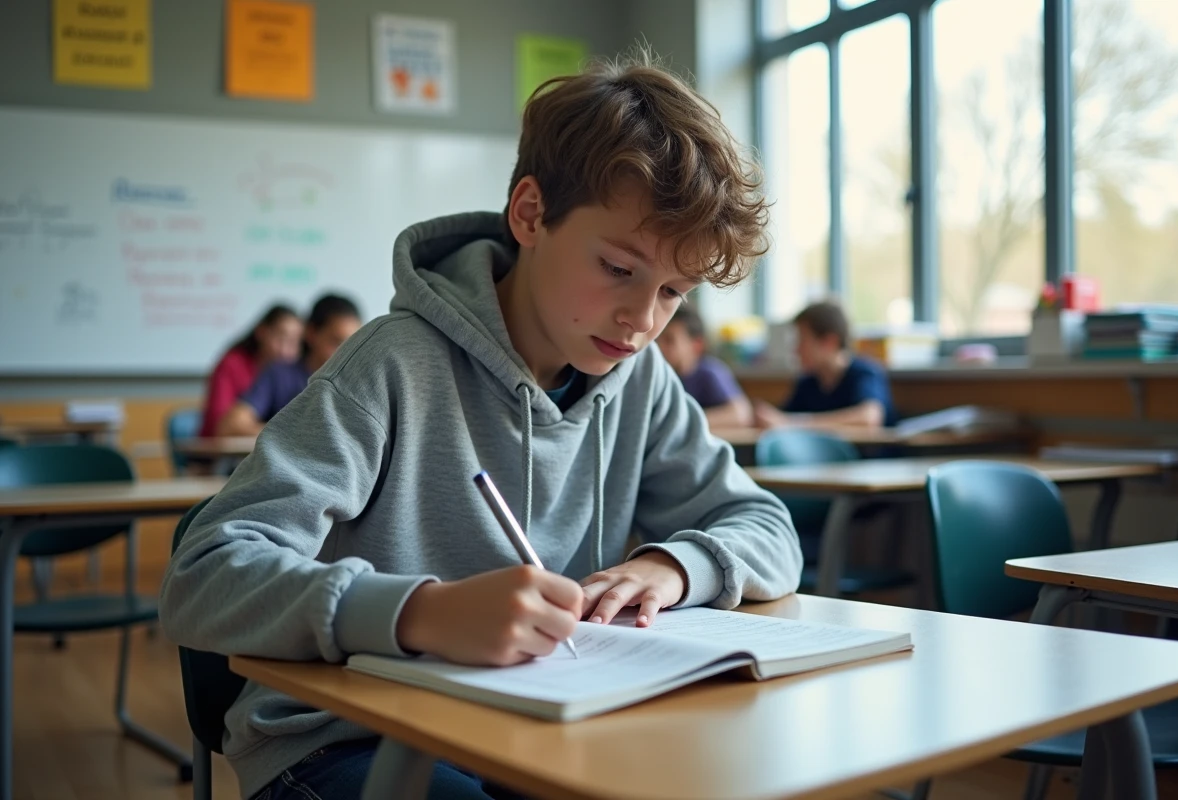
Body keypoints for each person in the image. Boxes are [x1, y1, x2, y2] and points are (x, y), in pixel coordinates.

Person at [161, 51, 801, 800]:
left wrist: (672, 567)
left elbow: (765, 525)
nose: (642, 320)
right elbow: (201, 576)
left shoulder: (640, 379)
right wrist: (418, 613)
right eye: (620, 269)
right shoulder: (390, 365)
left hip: (530, 726)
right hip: (343, 741)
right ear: (530, 214)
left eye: (673, 293)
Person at [216, 294, 362, 436]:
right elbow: (232, 425)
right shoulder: (279, 374)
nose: (346, 353)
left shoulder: (357, 383)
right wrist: (299, 435)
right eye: (336, 342)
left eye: (353, 345)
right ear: (311, 333)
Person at [754, 301, 896, 430]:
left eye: (803, 340)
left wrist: (795, 423)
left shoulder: (865, 373)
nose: (796, 350)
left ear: (829, 342)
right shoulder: (808, 383)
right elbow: (784, 418)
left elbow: (868, 419)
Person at [199, 304, 302, 437]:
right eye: (280, 338)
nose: (284, 350)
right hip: (222, 450)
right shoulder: (233, 365)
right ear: (261, 332)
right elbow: (221, 425)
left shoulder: (292, 374)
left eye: (293, 342)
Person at [657, 305, 752, 427]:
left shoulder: (710, 372)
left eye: (669, 340)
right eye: (657, 340)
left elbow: (741, 414)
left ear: (697, 344)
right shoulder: (662, 374)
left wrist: (682, 422)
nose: (660, 347)